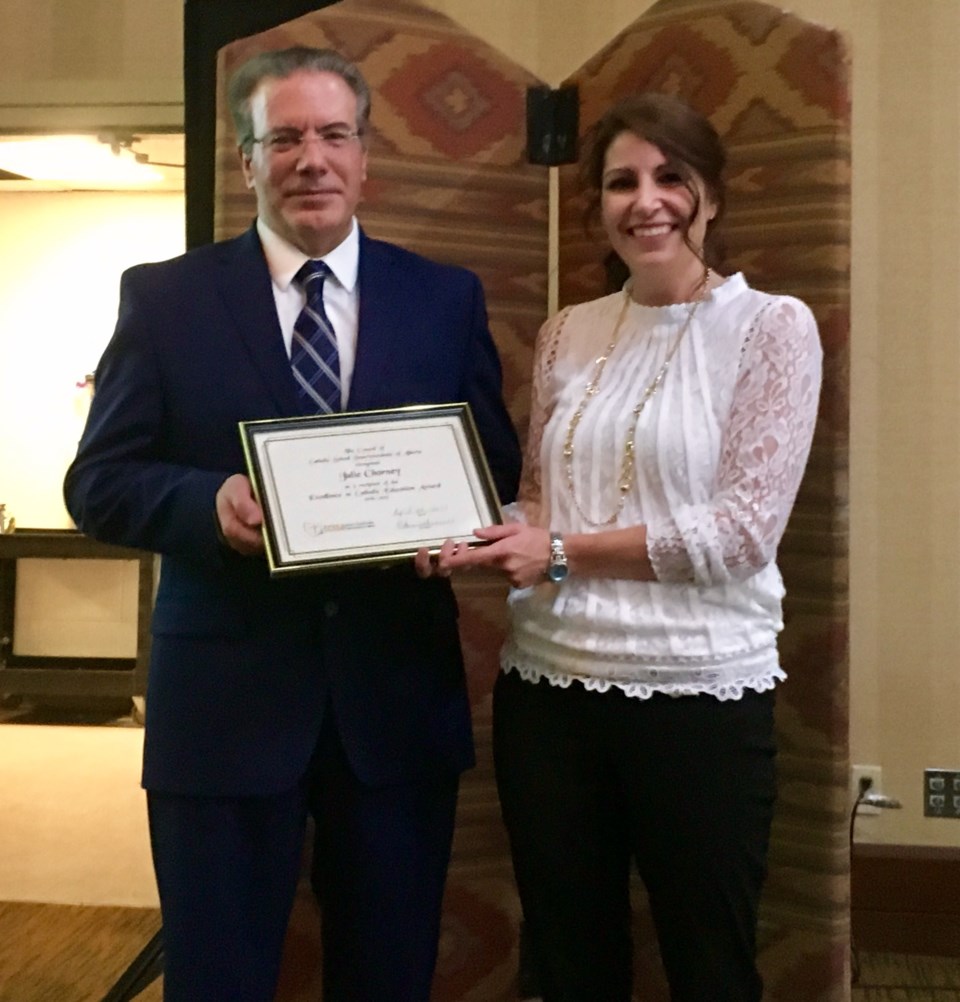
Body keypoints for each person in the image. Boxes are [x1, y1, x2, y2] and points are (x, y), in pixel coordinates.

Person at [64, 46, 521, 1002]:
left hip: (395, 703)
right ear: (246, 162)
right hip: (222, 710)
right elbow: (99, 482)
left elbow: (492, 466)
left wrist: (460, 527)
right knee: (217, 979)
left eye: (332, 135)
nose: (310, 158)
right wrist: (204, 504)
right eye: (284, 138)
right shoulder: (165, 298)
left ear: (365, 156)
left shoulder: (444, 298)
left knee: (388, 975)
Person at [423, 92, 823, 1001]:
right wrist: (467, 532)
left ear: (711, 197)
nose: (646, 201)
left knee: (709, 965)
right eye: (620, 182)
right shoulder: (569, 330)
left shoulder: (773, 329)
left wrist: (558, 552)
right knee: (568, 960)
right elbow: (539, 496)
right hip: (549, 694)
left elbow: (741, 532)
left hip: (699, 700)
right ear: (597, 204)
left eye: (669, 177)